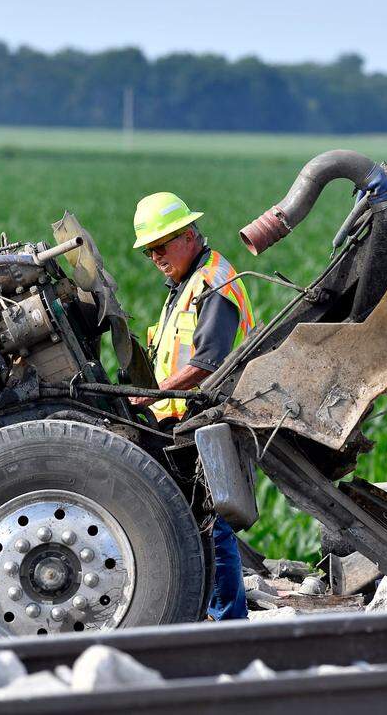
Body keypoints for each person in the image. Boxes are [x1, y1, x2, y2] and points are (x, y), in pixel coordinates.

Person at [127, 191, 256, 621]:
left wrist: (153, 394)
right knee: (200, 521)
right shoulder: (186, 284)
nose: (156, 257)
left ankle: (226, 620)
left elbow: (208, 362)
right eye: (149, 251)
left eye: (162, 246)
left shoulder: (213, 283)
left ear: (188, 236)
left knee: (211, 523)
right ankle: (213, 615)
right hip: (187, 420)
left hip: (210, 419)